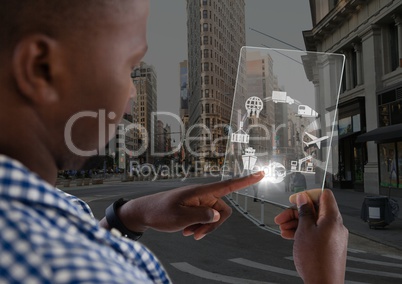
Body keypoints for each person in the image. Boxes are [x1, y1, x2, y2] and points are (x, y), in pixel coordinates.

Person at [0, 0, 348, 283]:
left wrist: (128, 216)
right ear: (41, 68)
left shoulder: (45, 209)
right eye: (127, 66)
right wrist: (324, 278)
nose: (133, 94)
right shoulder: (93, 274)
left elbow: (72, 240)